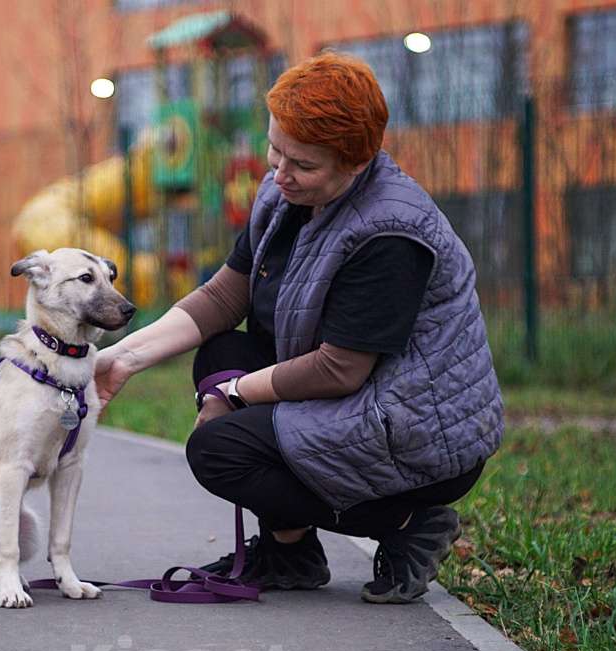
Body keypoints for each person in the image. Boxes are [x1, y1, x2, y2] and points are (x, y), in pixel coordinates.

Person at [94, 52, 503, 604]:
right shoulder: (284, 193)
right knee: (220, 350)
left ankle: (405, 522)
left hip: (413, 432)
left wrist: (234, 395)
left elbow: (340, 369)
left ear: (355, 165)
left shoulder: (390, 232)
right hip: (353, 402)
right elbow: (224, 294)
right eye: (274, 149)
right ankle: (290, 552)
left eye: (302, 164)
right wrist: (122, 358)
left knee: (219, 450)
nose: (280, 172)